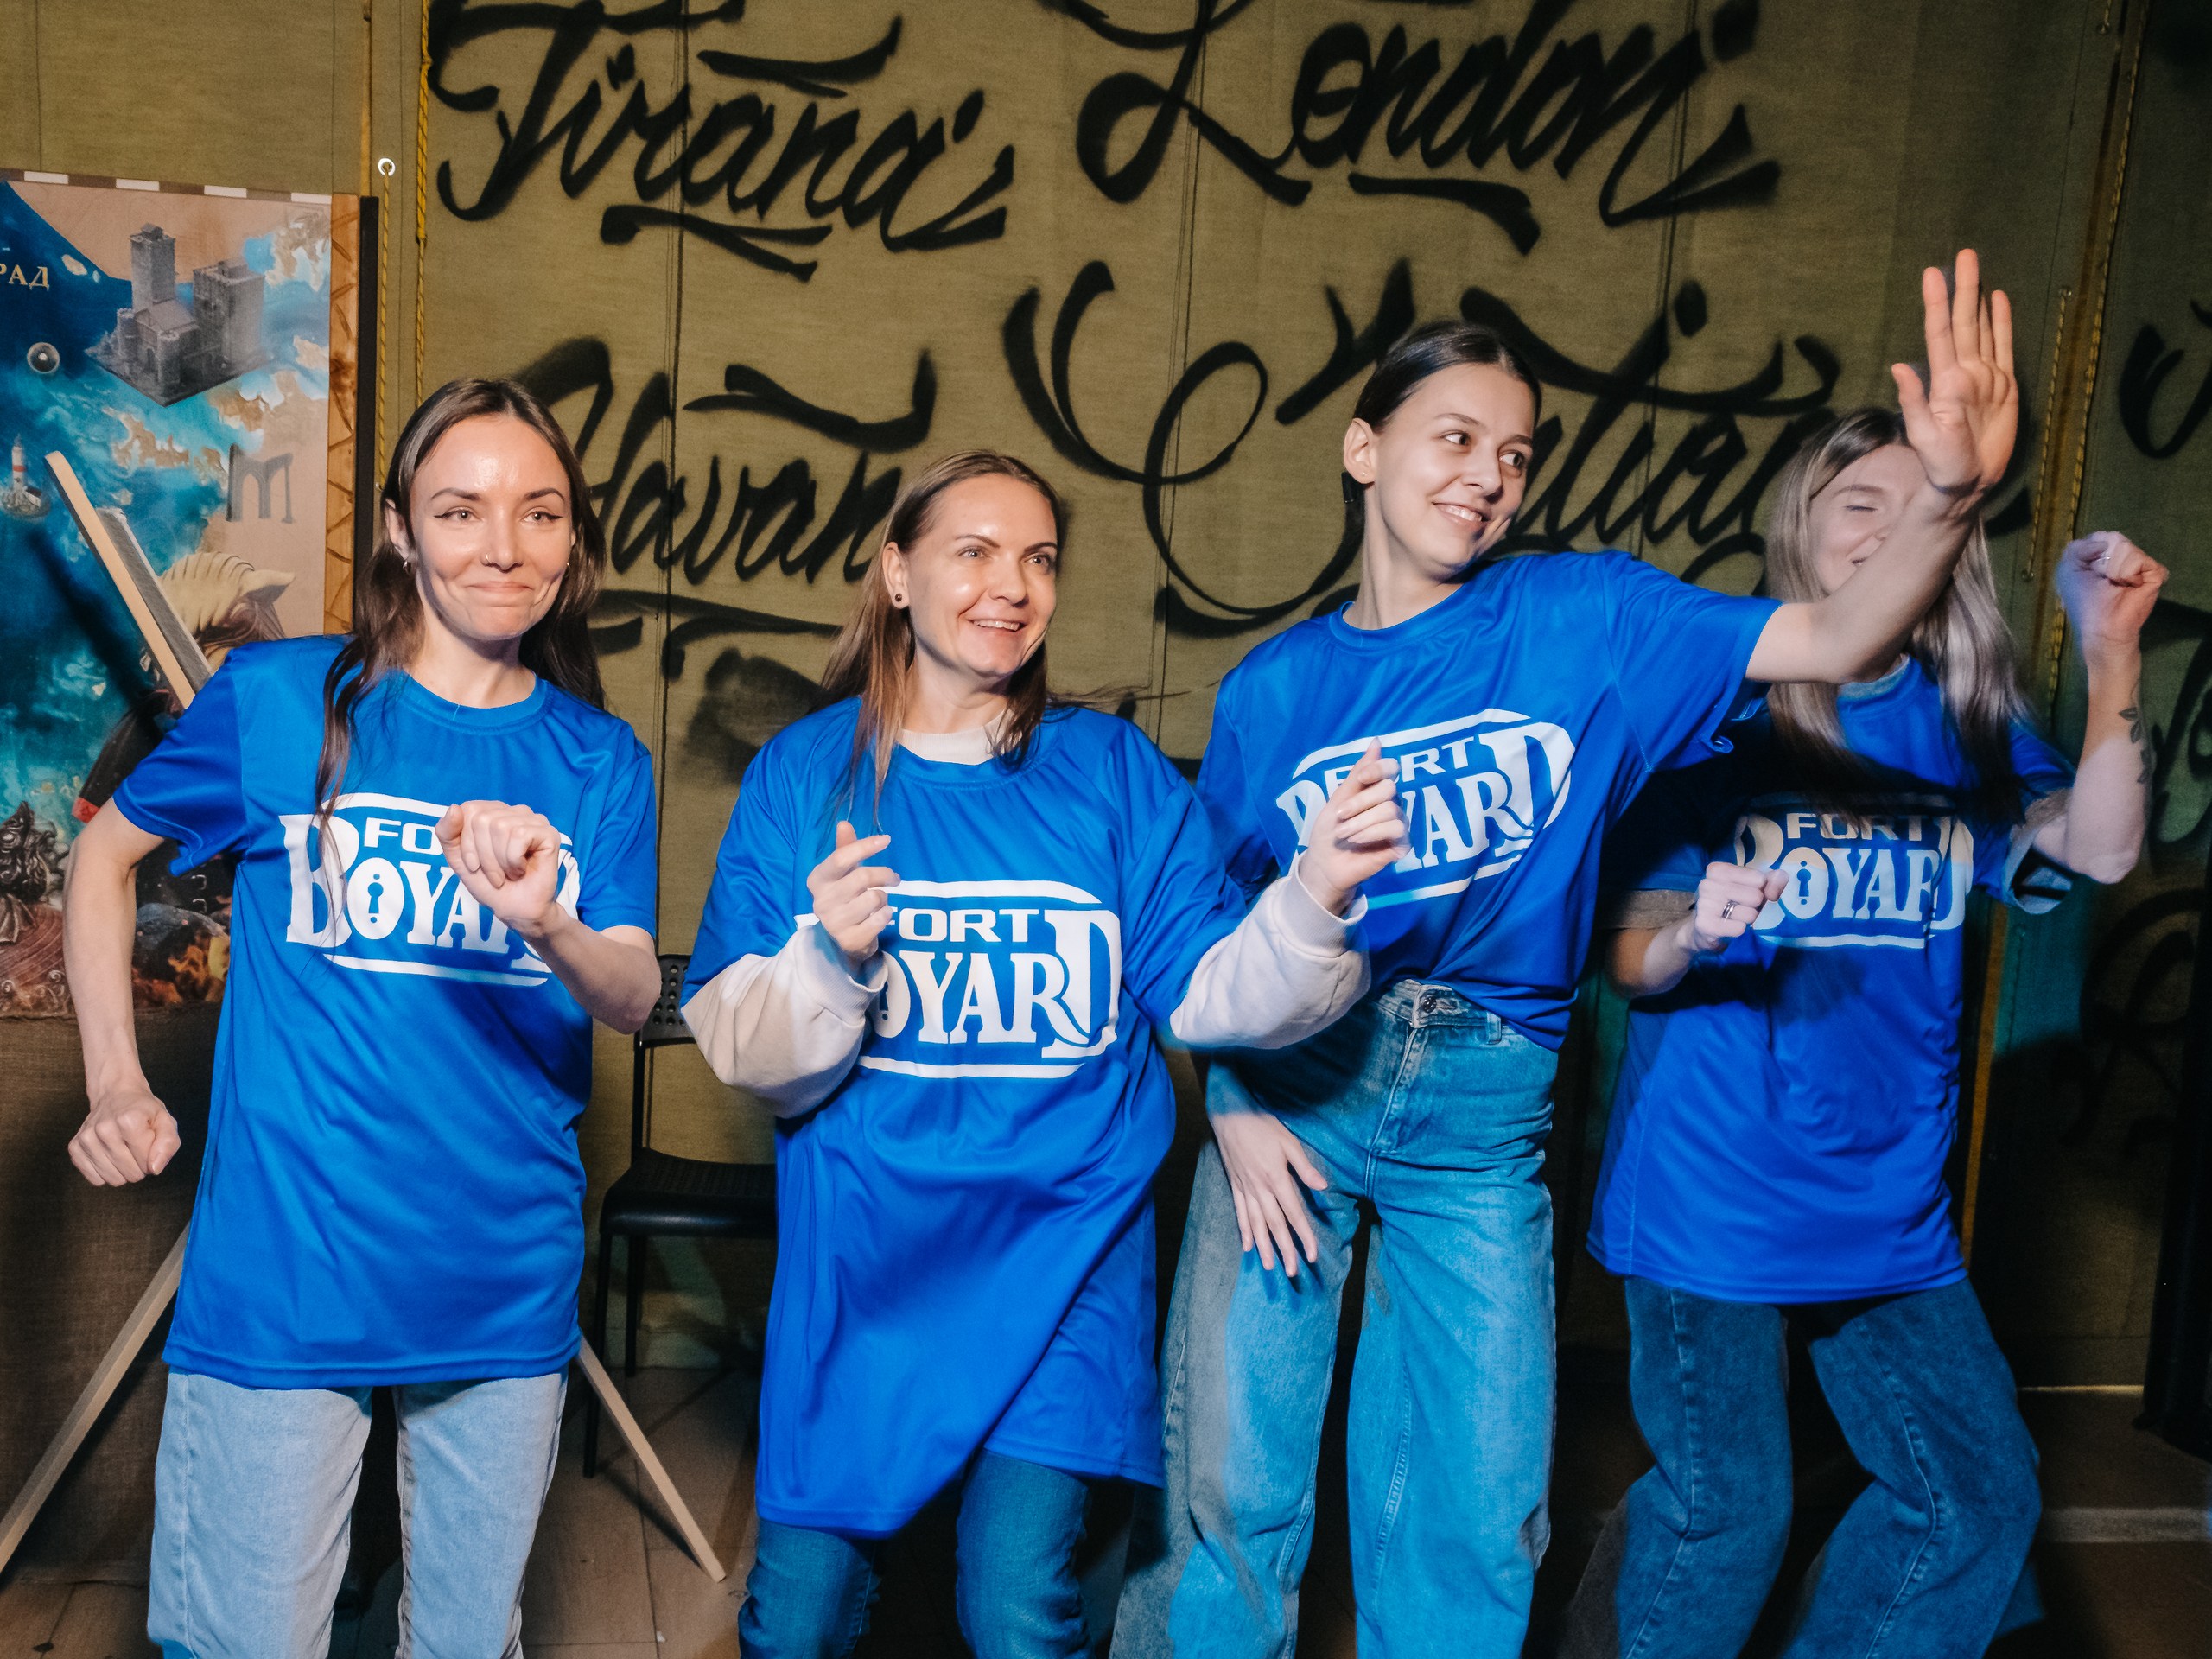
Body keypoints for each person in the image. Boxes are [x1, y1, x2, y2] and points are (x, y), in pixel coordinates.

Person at [1112, 251, 2019, 1659]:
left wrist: (1949, 497)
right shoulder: (1271, 691)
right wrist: (1228, 1100)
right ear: (1364, 449)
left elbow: (1839, 633)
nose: (1488, 476)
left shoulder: (1590, 620)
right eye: (1455, 437)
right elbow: (1206, 951)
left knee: (1475, 1517)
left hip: (1482, 1115)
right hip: (1295, 1090)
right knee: (1236, 1499)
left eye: (1516, 455)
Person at [681, 450, 1408, 1659]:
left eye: (1038, 558)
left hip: (1065, 1251)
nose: (1011, 585)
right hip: (866, 1266)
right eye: (973, 551)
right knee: (795, 1619)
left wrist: (1315, 896)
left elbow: (1214, 994)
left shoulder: (1110, 772)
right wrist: (829, 963)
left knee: (1016, 1608)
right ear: (897, 574)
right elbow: (744, 1048)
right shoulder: (804, 773)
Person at [64, 379, 662, 1656]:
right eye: (461, 510)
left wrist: (547, 920)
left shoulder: (599, 758)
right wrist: (116, 1081)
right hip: (288, 1264)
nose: (504, 546)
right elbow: (102, 856)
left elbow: (630, 995)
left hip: (500, 1272)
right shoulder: (283, 698)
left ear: (573, 539)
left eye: (540, 512)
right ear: (399, 528)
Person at [1558, 408, 2163, 1659]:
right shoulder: (1720, 708)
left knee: (1975, 1497)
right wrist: (1693, 932)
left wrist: (2111, 654)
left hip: (1887, 1207)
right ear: (1802, 524)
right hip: (1714, 1198)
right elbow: (1630, 954)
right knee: (1728, 1515)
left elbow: (2101, 848)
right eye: (1858, 504)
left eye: (1918, 507)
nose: (1886, 532)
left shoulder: (1967, 721)